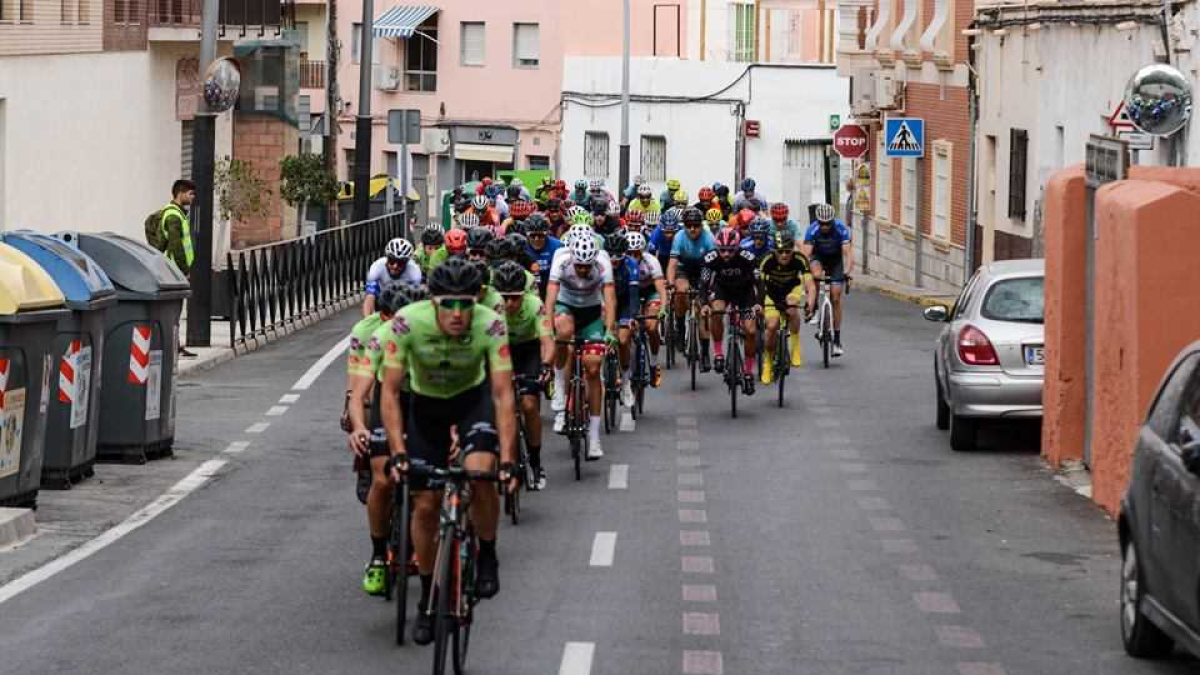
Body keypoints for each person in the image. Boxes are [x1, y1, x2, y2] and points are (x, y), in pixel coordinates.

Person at [376, 258, 518, 646]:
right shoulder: (407, 322)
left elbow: (504, 394)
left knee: (481, 474)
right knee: (424, 503)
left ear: (476, 301)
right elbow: (388, 392)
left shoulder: (490, 322)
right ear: (432, 302)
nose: (458, 314)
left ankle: (487, 553)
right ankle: (429, 595)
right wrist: (398, 451)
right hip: (425, 408)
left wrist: (508, 459)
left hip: (472, 402)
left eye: (465, 304)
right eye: (448, 304)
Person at [345, 280, 423, 596]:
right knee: (382, 479)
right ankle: (379, 555)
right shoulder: (374, 335)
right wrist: (358, 426)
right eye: (393, 317)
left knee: (426, 483)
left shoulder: (431, 335)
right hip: (384, 398)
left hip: (421, 399)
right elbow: (358, 391)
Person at [545, 234, 618, 457]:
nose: (584, 271)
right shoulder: (561, 261)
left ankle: (594, 437)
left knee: (594, 368)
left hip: (591, 313)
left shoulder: (603, 264)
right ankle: (559, 391)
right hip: (566, 306)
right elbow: (550, 297)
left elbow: (610, 298)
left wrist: (609, 330)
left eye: (587, 266)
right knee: (563, 332)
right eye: (579, 266)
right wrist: (548, 328)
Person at [492, 261, 554, 491]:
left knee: (529, 404)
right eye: (504, 297)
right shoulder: (489, 307)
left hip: (528, 350)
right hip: (501, 351)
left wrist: (546, 366)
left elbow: (547, 341)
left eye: (515, 298)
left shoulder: (534, 305)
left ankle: (536, 461)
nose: (509, 304)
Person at [702, 227, 760, 395]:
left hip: (745, 293)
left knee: (750, 330)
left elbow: (759, 283)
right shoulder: (710, 258)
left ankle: (748, 372)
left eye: (730, 251)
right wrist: (705, 303)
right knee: (716, 311)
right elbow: (704, 284)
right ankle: (719, 353)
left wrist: (758, 303)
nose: (726, 255)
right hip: (723, 290)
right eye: (722, 250)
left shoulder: (747, 258)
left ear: (737, 247)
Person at [758, 230, 816, 384]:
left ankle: (795, 345)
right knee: (771, 326)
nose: (784, 255)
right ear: (774, 251)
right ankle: (768, 362)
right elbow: (759, 286)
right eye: (780, 251)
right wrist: (759, 305)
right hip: (771, 292)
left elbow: (810, 284)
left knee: (791, 306)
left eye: (788, 251)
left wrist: (811, 303)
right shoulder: (767, 260)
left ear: (793, 251)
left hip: (792, 290)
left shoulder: (800, 259)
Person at [666, 208, 716, 371]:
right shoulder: (679, 237)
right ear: (684, 226)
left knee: (703, 310)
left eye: (696, 225)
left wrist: (710, 289)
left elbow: (714, 267)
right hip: (684, 269)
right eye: (688, 226)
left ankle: (705, 353)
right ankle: (680, 330)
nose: (692, 229)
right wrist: (671, 284)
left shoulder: (709, 238)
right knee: (681, 292)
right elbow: (672, 264)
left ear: (701, 226)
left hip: (703, 269)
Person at [801, 203, 853, 357]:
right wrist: (805, 272)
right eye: (822, 223)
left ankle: (836, 340)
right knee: (816, 275)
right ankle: (816, 309)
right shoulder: (812, 229)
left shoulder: (841, 228)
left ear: (832, 221)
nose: (824, 226)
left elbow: (848, 253)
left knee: (836, 296)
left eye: (827, 223)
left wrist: (848, 272)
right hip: (818, 257)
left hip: (835, 260)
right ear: (817, 221)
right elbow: (806, 254)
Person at [160, 179, 197, 357]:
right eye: (190, 194)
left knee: (176, 310)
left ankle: (176, 345)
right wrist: (184, 270)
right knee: (174, 310)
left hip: (174, 270)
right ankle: (173, 346)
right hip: (174, 271)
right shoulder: (173, 216)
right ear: (181, 193)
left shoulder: (178, 214)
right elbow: (176, 245)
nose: (193, 197)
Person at [626, 231, 668, 387]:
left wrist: (663, 308)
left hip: (651, 291)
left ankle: (654, 363)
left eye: (636, 253)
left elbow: (661, 289)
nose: (633, 256)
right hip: (632, 293)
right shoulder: (622, 263)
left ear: (642, 252)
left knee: (651, 327)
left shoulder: (651, 262)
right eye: (629, 253)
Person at [605, 231, 641, 408]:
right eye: (610, 255)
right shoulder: (600, 265)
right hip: (605, 302)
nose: (614, 260)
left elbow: (634, 294)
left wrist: (633, 316)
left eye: (618, 256)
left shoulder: (631, 265)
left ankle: (626, 381)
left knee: (623, 339)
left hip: (625, 302)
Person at [362, 238, 422, 316]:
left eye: (400, 263)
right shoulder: (377, 267)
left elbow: (415, 303)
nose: (395, 266)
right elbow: (369, 298)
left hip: (402, 299)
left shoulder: (414, 273)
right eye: (391, 260)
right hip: (381, 297)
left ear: (407, 262)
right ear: (386, 258)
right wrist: (368, 321)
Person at [525, 216, 562, 299]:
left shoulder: (557, 246)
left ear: (547, 234)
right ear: (527, 235)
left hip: (551, 285)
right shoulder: (522, 246)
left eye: (540, 235)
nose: (536, 239)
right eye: (532, 235)